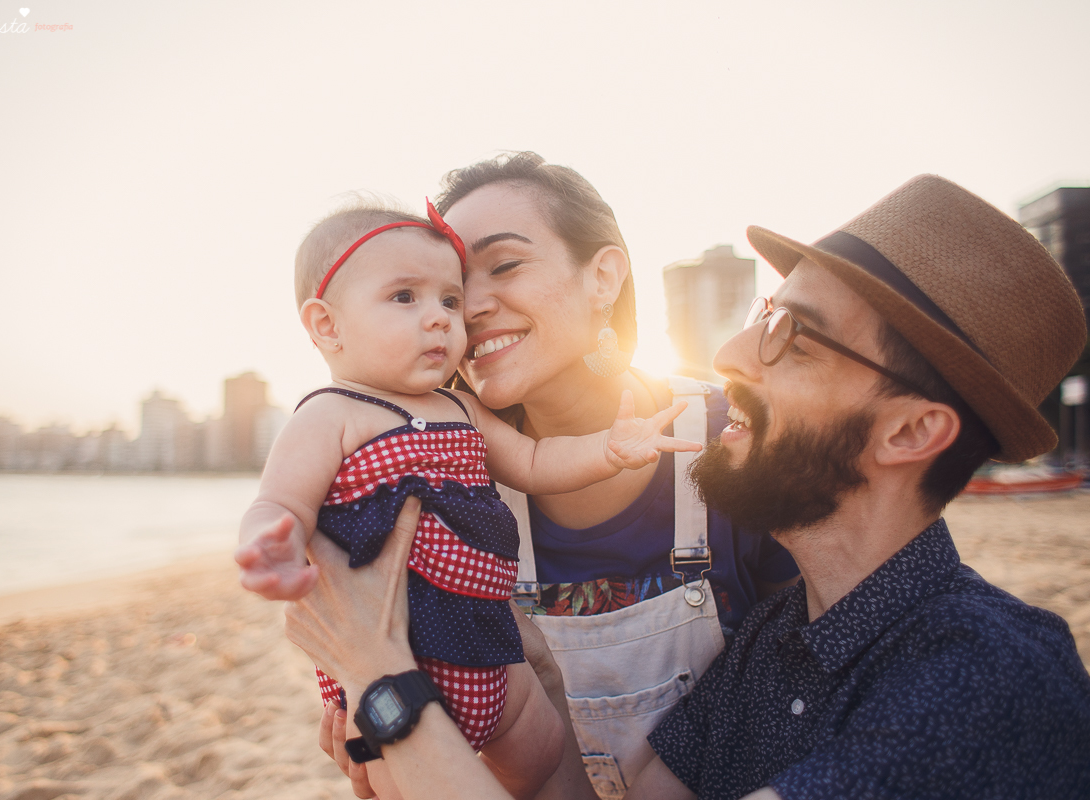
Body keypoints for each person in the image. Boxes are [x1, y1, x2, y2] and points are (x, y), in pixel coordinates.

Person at [286, 173, 1090, 800]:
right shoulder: (774, 647)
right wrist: (534, 690)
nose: (735, 352)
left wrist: (384, 683)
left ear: (912, 432)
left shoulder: (987, 674)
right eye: (764, 311)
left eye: (792, 337)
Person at [307, 152, 798, 798]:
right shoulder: (445, 488)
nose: (467, 308)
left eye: (504, 265)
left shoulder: (736, 437)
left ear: (604, 277)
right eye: (449, 288)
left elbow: (811, 700)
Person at [233, 198, 698, 800]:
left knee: (542, 750)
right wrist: (269, 543)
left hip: (486, 636)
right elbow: (282, 502)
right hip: (398, 637)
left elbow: (533, 461)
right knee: (391, 780)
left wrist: (607, 450)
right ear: (326, 325)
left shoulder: (461, 409)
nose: (442, 319)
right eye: (405, 297)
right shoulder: (330, 415)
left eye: (449, 301)